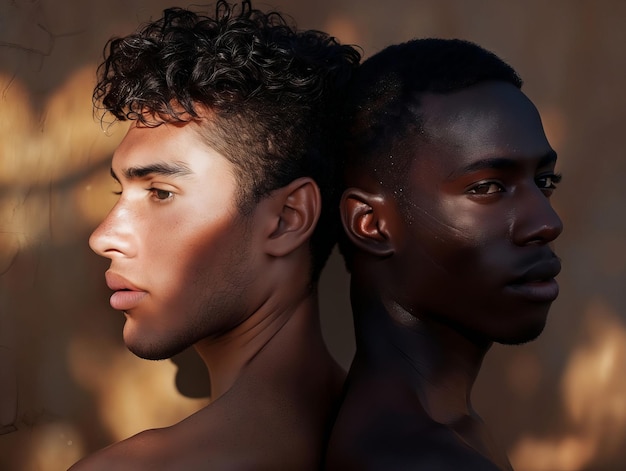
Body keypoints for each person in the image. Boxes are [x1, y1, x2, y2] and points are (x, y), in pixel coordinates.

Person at [70, 2, 360, 469]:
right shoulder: (424, 443)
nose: (104, 237)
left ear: (288, 218)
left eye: (160, 193)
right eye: (118, 191)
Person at [324, 38, 563, 470]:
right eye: (488, 187)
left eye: (545, 182)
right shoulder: (416, 459)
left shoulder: (442, 430)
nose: (546, 223)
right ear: (371, 223)